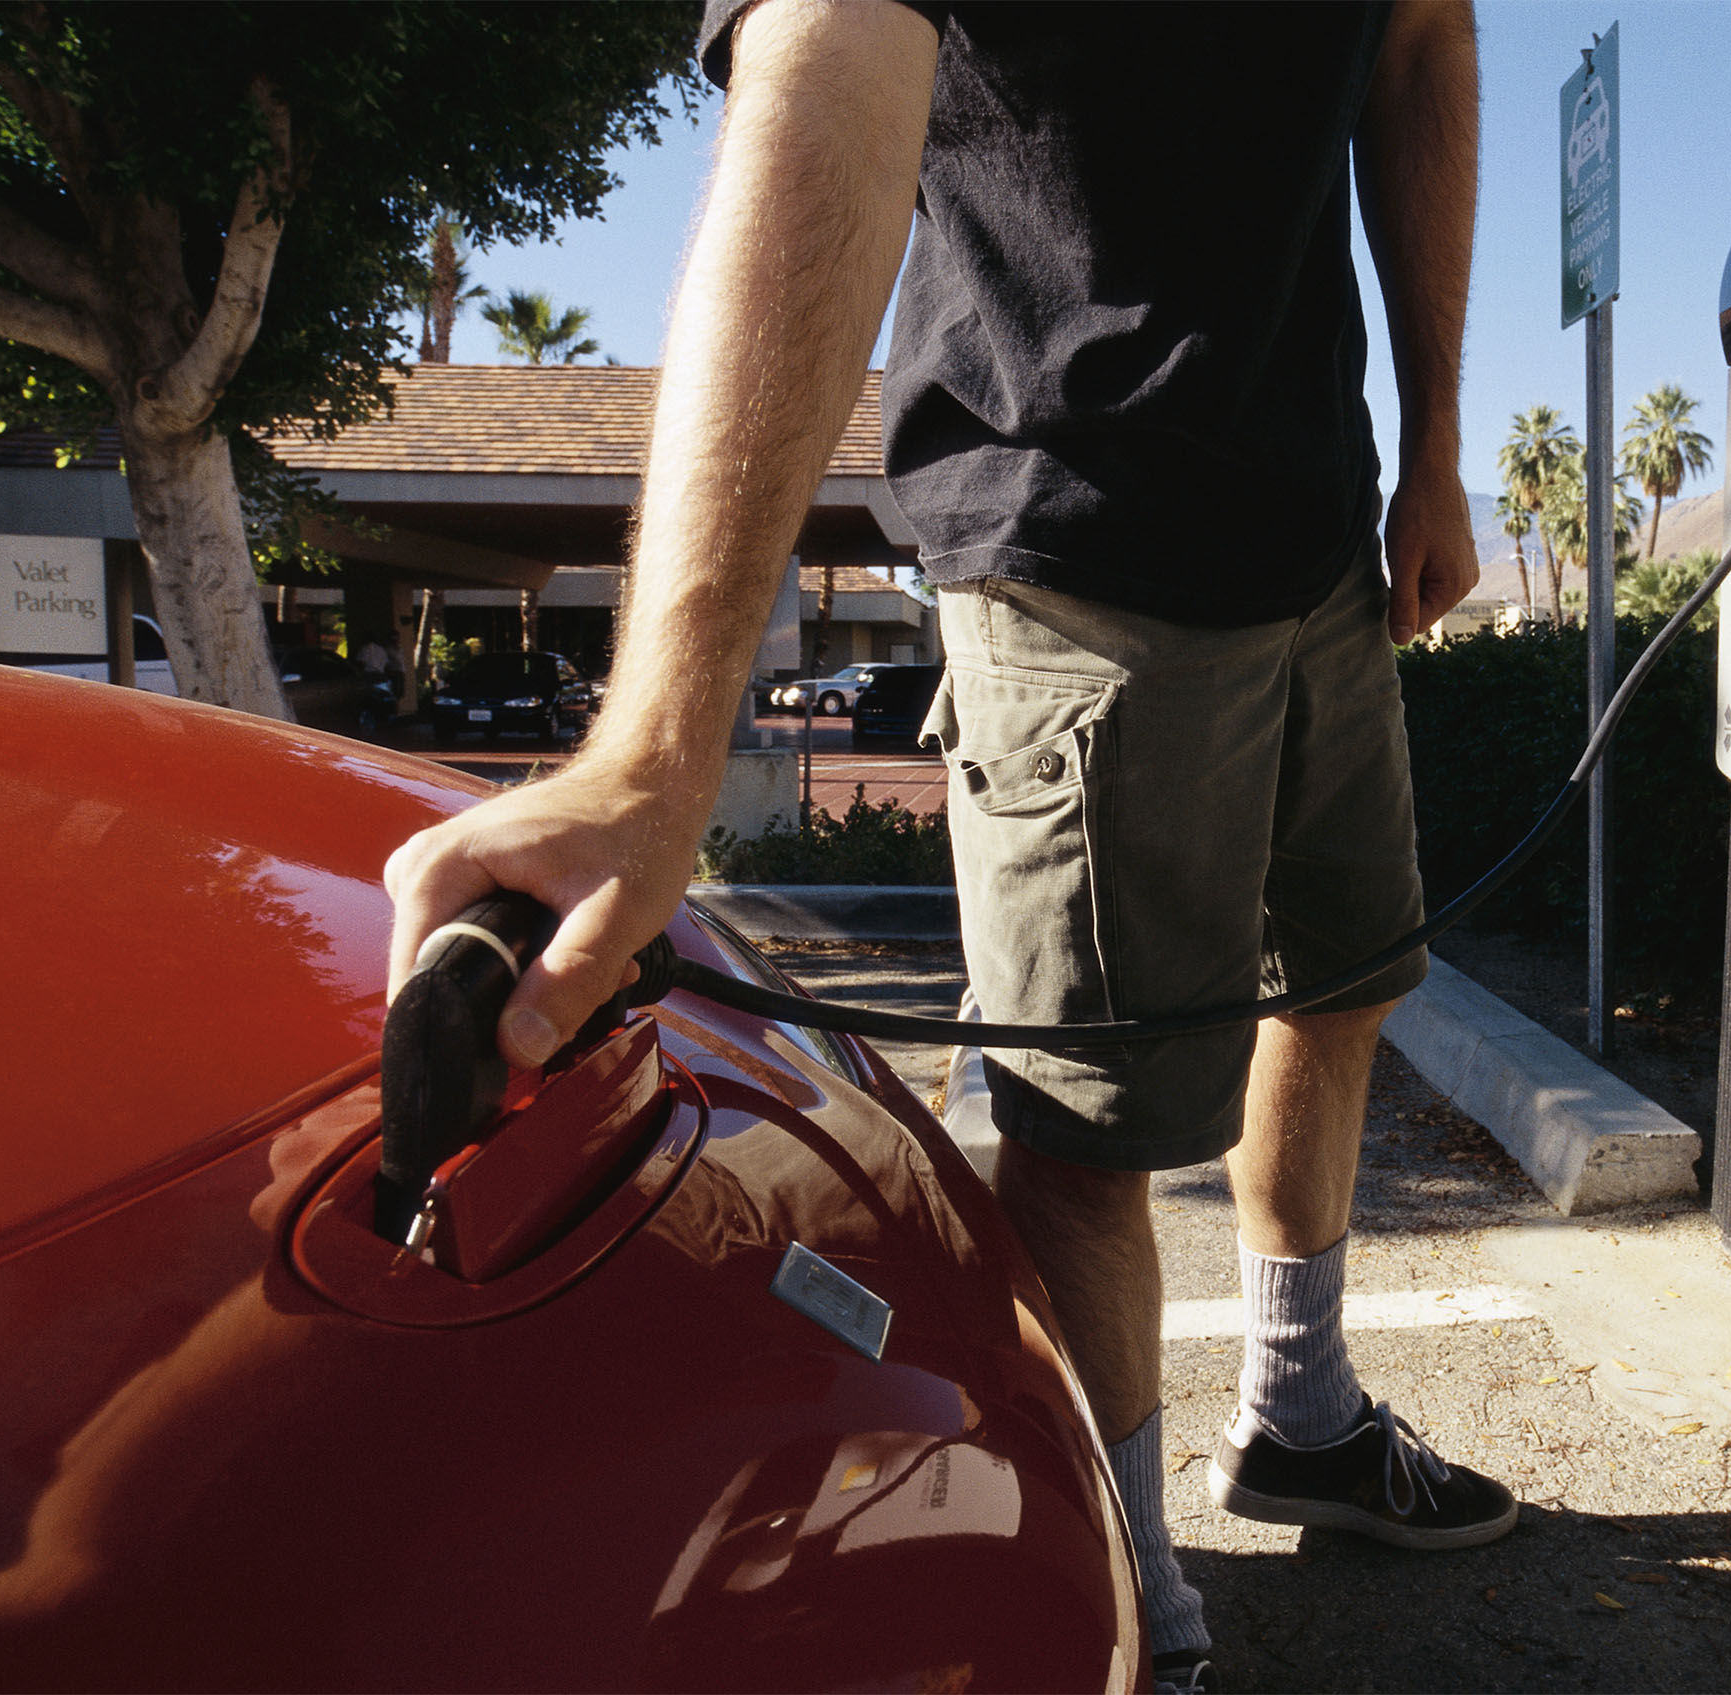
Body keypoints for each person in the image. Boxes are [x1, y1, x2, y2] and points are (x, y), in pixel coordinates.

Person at [382, 2, 1493, 1684]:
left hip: (1321, 527)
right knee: (1087, 1135)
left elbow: (1419, 41)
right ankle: (1133, 1604)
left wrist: (1432, 451)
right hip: (1078, 537)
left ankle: (1302, 1415)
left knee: (1342, 993)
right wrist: (660, 749)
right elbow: (826, 69)